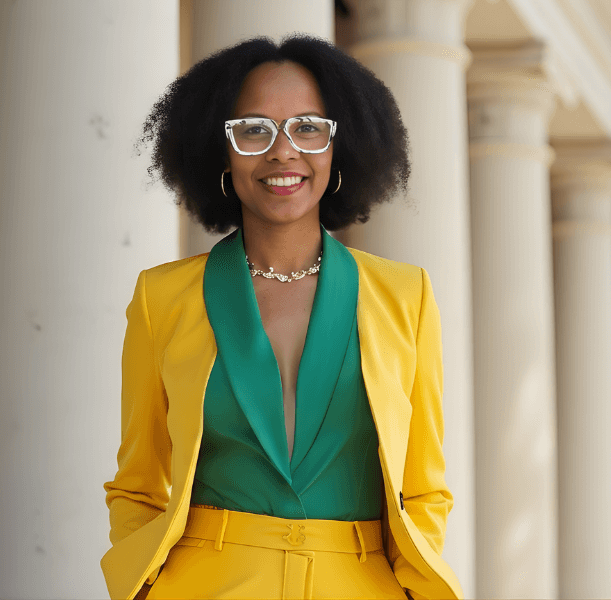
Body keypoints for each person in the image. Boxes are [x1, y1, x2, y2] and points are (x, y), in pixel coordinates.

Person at [99, 36, 462, 600]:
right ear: (220, 149)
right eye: (254, 129)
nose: (282, 152)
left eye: (308, 127)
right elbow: (138, 484)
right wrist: (142, 590)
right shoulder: (162, 298)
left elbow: (424, 489)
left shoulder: (405, 297)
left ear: (341, 145)